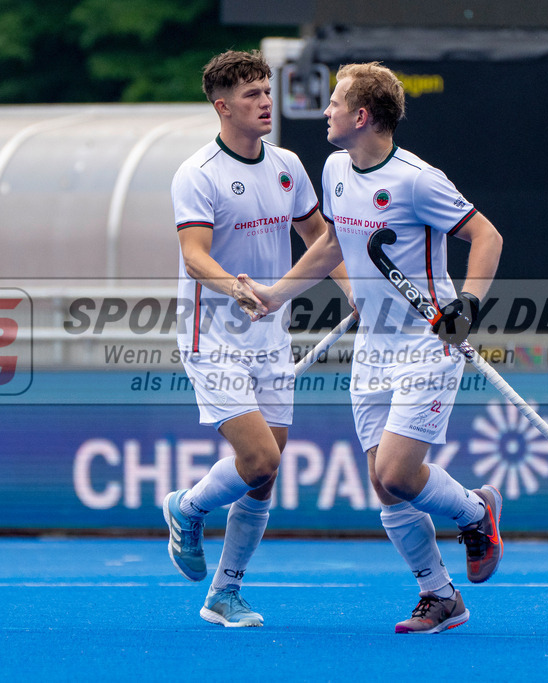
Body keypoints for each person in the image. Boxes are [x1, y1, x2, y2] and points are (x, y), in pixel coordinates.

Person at [240, 62, 505, 634]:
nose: (326, 111)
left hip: (428, 343)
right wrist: (276, 294)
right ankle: (440, 595)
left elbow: (487, 235)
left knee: (399, 473)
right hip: (374, 347)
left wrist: (468, 306)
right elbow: (333, 244)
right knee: (384, 486)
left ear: (361, 116)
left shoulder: (418, 180)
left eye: (335, 103)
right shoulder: (336, 168)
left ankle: (476, 512)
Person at [163, 50, 348, 628]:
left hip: (271, 338)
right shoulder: (198, 173)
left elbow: (322, 240)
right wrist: (235, 288)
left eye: (267, 91)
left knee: (265, 475)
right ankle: (187, 507)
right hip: (212, 336)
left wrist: (358, 294)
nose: (266, 103)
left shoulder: (288, 165)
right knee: (259, 457)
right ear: (222, 106)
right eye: (252, 95)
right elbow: (194, 257)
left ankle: (224, 593)